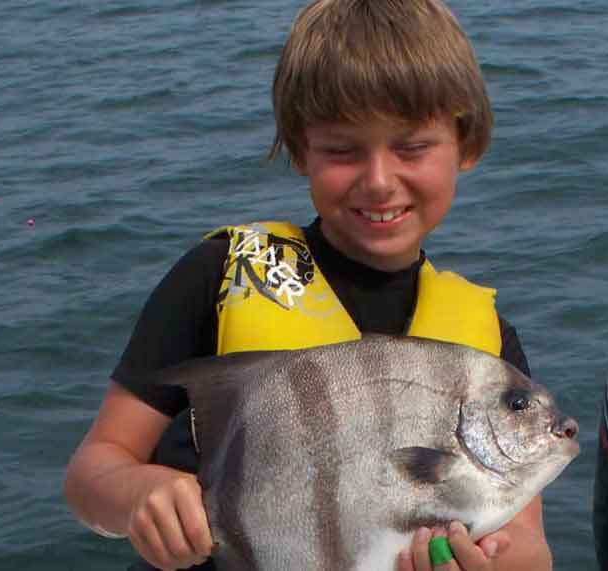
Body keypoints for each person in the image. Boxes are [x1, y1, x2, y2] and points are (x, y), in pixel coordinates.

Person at [64, 1, 555, 570]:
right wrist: (138, 497)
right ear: (300, 150)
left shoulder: (487, 341)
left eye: (412, 147)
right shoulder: (219, 276)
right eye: (342, 151)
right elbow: (94, 472)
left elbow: (531, 550)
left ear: (466, 144)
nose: (378, 181)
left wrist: (493, 562)